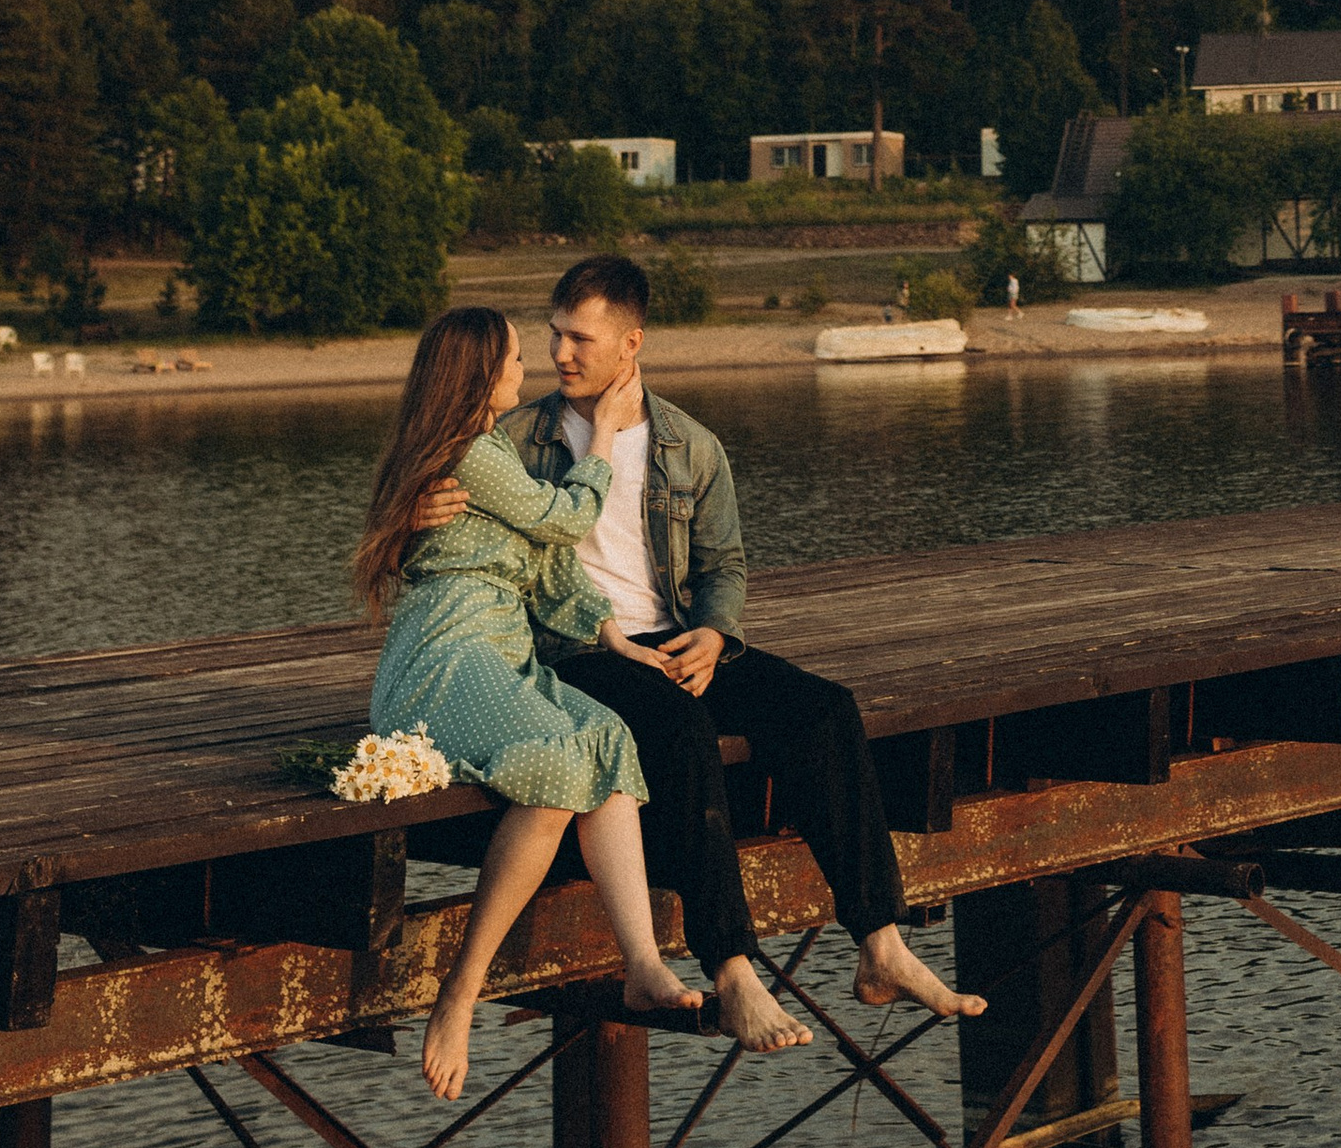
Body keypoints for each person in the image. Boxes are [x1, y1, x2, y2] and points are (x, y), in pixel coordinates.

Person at [411, 252, 981, 1053]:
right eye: (554, 335)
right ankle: (733, 969)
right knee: (679, 730)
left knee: (823, 709)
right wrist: (419, 516)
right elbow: (435, 513)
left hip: (676, 636)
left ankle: (880, 942)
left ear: (631, 344)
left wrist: (715, 633)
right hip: (578, 649)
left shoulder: (690, 445)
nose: (560, 353)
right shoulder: (512, 441)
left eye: (580, 339)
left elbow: (725, 566)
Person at [354, 306, 704, 1100]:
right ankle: (461, 992)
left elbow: (545, 561)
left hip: (500, 648)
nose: (528, 367)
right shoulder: (471, 451)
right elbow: (565, 518)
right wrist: (605, 437)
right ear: (481, 373)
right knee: (552, 769)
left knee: (606, 736)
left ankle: (642, 963)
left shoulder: (482, 452)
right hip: (446, 656)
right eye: (515, 357)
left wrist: (613, 638)